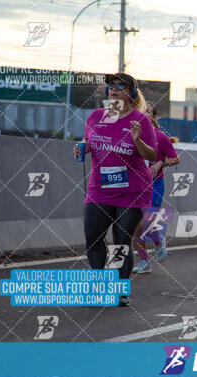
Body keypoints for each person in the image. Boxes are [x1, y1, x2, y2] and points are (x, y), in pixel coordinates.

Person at [73, 72, 157, 307]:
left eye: (120, 86)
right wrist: (81, 149)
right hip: (99, 188)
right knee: (93, 237)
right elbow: (88, 142)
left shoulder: (140, 120)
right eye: (111, 86)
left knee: (121, 240)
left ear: (130, 93)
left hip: (133, 189)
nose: (114, 89)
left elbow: (152, 155)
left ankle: (120, 291)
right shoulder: (96, 116)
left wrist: (137, 140)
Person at [133, 101, 180, 274]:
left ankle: (158, 242)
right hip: (134, 185)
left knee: (146, 220)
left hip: (155, 184)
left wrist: (160, 162)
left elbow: (175, 158)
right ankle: (144, 261)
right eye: (142, 111)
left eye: (149, 112)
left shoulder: (160, 137)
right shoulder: (131, 135)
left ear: (154, 117)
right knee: (135, 227)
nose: (145, 115)